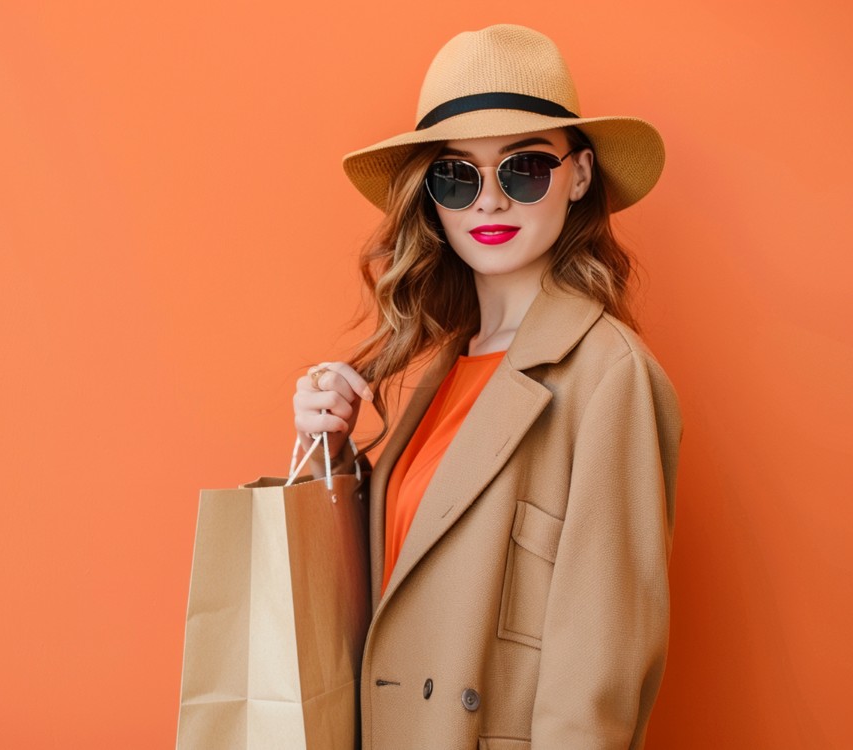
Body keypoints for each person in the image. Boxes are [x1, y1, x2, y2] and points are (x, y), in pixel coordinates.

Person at [291, 25, 682, 749]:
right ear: (430, 196)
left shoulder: (607, 376)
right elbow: (406, 587)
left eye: (525, 168)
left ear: (581, 175)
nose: (490, 201)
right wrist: (333, 452)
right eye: (456, 175)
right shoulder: (442, 367)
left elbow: (597, 676)